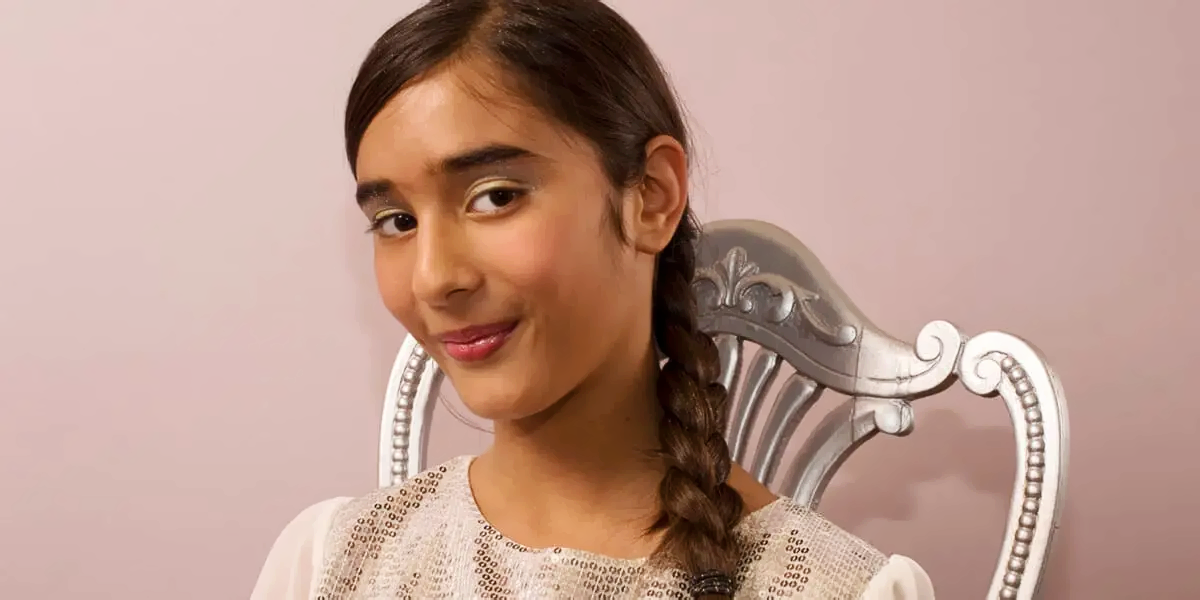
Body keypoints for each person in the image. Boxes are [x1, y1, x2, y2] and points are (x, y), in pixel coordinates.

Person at [251, 0, 935, 597]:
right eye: (397, 221)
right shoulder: (329, 562)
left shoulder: (841, 589)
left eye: (495, 197)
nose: (433, 278)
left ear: (652, 196)